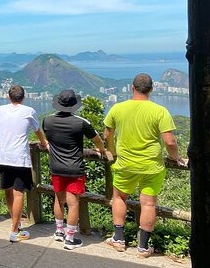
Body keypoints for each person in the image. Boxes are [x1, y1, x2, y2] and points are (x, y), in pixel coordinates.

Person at [103, 73, 187, 258]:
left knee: (119, 198)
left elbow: (107, 135)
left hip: (125, 163)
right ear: (151, 89)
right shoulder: (160, 111)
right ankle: (143, 247)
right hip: (151, 165)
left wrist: (112, 152)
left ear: (132, 87)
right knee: (148, 203)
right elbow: (170, 141)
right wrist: (176, 157)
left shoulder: (117, 108)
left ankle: (118, 239)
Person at [43, 89, 111, 250]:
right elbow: (97, 140)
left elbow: (49, 139)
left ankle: (59, 232)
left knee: (58, 199)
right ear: (74, 106)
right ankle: (70, 238)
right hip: (74, 168)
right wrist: (101, 149)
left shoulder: (47, 121)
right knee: (73, 204)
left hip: (56, 167)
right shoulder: (81, 122)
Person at [0, 85, 47, 242]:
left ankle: (15, 224)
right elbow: (38, 131)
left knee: (8, 191)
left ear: (8, 97)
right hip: (20, 158)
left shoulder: (0, 109)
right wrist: (44, 143)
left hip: (3, 156)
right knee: (19, 194)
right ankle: (14, 230)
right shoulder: (29, 111)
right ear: (23, 97)